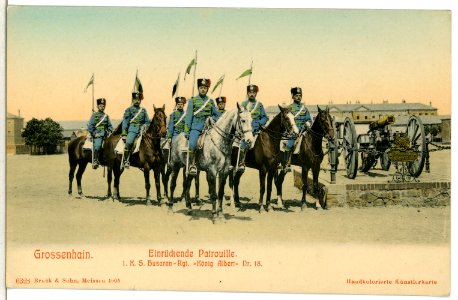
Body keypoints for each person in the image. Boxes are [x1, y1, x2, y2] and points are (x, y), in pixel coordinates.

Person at [184, 78, 218, 175]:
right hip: (196, 128)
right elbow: (188, 117)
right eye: (201, 88)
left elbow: (216, 115)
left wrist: (212, 119)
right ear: (198, 88)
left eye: (205, 88)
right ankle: (192, 165)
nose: (203, 89)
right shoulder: (193, 101)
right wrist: (187, 131)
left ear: (207, 89)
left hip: (209, 128)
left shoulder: (210, 101)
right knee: (193, 144)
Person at [238, 84, 268, 172]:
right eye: (250, 92)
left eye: (253, 92)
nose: (252, 94)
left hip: (257, 130)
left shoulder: (259, 105)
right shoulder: (243, 104)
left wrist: (259, 123)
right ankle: (241, 162)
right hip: (247, 130)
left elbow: (265, 117)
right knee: (243, 144)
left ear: (256, 94)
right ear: (247, 93)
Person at [121, 77, 151, 169]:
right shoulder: (128, 110)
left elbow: (147, 121)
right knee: (129, 142)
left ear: (140, 100)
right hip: (133, 130)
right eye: (135, 99)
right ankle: (126, 160)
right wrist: (124, 134)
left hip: (142, 131)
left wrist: (145, 126)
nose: (137, 101)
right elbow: (125, 122)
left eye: (139, 99)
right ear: (132, 100)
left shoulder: (143, 110)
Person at [281, 86, 312, 172]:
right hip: (293, 132)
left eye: (300, 95)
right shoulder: (289, 108)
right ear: (293, 96)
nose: (299, 97)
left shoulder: (304, 108)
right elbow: (286, 122)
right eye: (296, 95)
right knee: (289, 145)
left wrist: (308, 124)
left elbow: (309, 120)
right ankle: (286, 164)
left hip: (304, 131)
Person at [87, 98, 113, 169]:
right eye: (100, 105)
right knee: (98, 146)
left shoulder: (106, 116)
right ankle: (95, 160)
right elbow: (90, 126)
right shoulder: (94, 115)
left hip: (105, 135)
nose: (102, 107)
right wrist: (94, 134)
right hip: (98, 134)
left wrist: (111, 131)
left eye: (103, 106)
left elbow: (110, 126)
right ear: (97, 106)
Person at [165, 96, 187, 164]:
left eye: (181, 104)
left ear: (183, 105)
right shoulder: (173, 115)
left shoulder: (186, 115)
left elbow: (186, 125)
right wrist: (169, 137)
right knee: (172, 145)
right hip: (175, 134)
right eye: (178, 104)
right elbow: (171, 127)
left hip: (183, 134)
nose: (180, 106)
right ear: (176, 105)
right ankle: (171, 160)